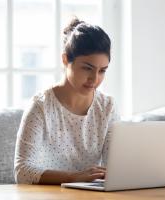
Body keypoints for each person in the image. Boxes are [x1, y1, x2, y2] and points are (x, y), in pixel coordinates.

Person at [14, 18, 120, 185]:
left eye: (102, 71)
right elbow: (22, 171)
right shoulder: (41, 106)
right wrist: (73, 177)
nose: (94, 79)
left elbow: (115, 168)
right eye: (87, 68)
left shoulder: (107, 107)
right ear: (65, 60)